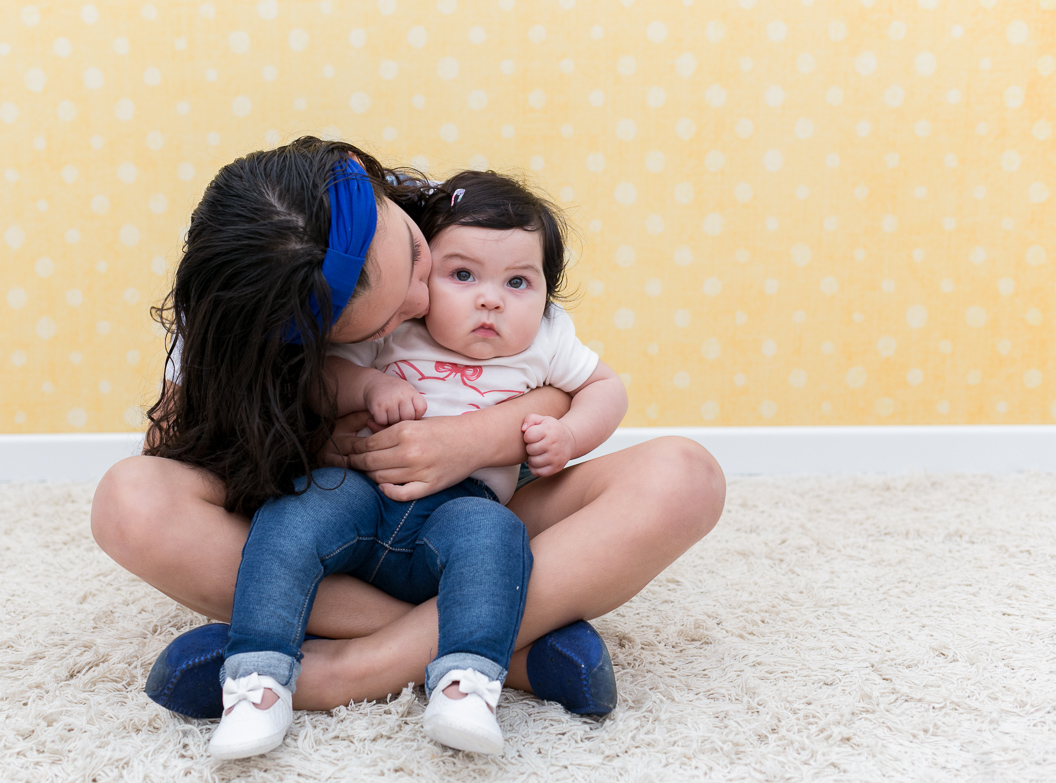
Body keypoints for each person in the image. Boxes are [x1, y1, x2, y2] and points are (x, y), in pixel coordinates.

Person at [90, 136, 726, 733]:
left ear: (381, 191)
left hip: (486, 520)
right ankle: (509, 648)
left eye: (420, 260)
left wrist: (467, 443)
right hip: (339, 538)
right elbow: (189, 456)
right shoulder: (238, 348)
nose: (428, 302)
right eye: (394, 315)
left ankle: (339, 671)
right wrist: (313, 440)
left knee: (685, 474)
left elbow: (561, 389)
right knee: (129, 501)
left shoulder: (444, 231)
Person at [209, 167, 630, 759]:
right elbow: (323, 374)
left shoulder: (548, 339)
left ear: (546, 292)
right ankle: (257, 677)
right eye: (462, 275)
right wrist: (367, 389)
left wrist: (569, 433)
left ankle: (467, 685)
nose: (490, 297)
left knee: (496, 538)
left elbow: (606, 388)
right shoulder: (397, 322)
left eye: (519, 282)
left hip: (459, 511)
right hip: (360, 494)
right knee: (292, 514)